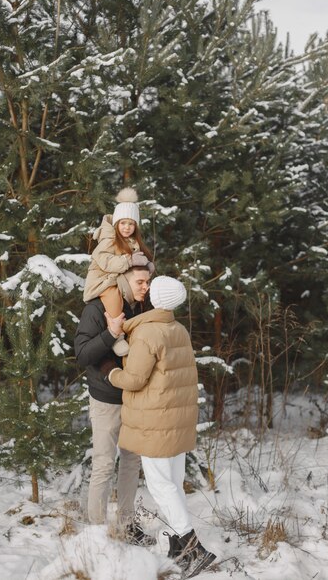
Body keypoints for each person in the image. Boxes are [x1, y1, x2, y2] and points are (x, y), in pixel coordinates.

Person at [106, 276, 216, 577]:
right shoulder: (177, 328)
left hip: (156, 420)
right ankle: (180, 548)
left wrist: (112, 375)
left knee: (160, 484)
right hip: (177, 420)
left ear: (155, 298)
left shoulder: (147, 333)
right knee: (173, 481)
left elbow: (136, 379)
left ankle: (194, 547)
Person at [74, 264, 155, 546]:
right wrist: (109, 333)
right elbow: (83, 354)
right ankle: (97, 532)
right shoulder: (97, 309)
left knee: (131, 462)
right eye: (141, 281)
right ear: (124, 281)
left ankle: (127, 525)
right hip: (106, 399)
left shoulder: (145, 308)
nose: (146, 286)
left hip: (135, 399)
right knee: (104, 464)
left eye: (148, 281)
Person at [82, 187, 154, 356]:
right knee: (114, 298)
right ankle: (117, 338)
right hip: (102, 280)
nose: (127, 227)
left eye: (131, 224)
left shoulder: (133, 241)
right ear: (116, 224)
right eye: (123, 223)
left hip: (117, 278)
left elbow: (137, 262)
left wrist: (146, 266)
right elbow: (103, 260)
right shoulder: (109, 239)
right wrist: (128, 261)